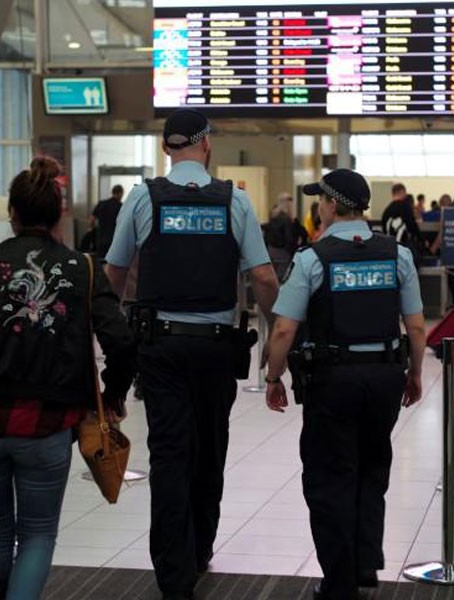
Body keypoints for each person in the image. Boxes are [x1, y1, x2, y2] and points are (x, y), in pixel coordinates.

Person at [0, 157, 136, 600]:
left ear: (11, 214)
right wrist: (110, 396)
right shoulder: (83, 269)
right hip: (46, 430)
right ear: (57, 215)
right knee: (36, 536)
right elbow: (122, 341)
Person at [104, 108, 279, 600]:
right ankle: (201, 548)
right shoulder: (234, 202)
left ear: (166, 149)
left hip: (158, 348)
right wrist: (279, 333)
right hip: (216, 351)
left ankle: (174, 575)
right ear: (207, 145)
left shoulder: (142, 198)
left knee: (169, 454)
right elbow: (263, 277)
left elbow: (114, 275)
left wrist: (107, 334)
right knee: (209, 449)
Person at [263, 168, 425, 600]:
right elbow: (415, 326)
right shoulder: (398, 255)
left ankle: (338, 583)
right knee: (373, 469)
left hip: (332, 382)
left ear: (333, 205)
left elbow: (283, 330)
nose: (318, 207)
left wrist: (273, 376)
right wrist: (415, 374)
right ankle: (364, 563)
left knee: (331, 477)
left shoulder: (313, 258)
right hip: (385, 377)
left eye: (321, 200)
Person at [265, 192, 308, 280]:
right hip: (283, 253)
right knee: (283, 278)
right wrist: (295, 250)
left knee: (273, 277)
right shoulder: (286, 219)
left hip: (271, 250)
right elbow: (289, 239)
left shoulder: (273, 215)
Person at [90, 184, 124, 260]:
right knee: (112, 262)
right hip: (114, 240)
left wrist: (93, 230)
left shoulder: (101, 204)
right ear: (120, 193)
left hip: (101, 239)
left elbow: (92, 219)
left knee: (100, 261)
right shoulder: (121, 206)